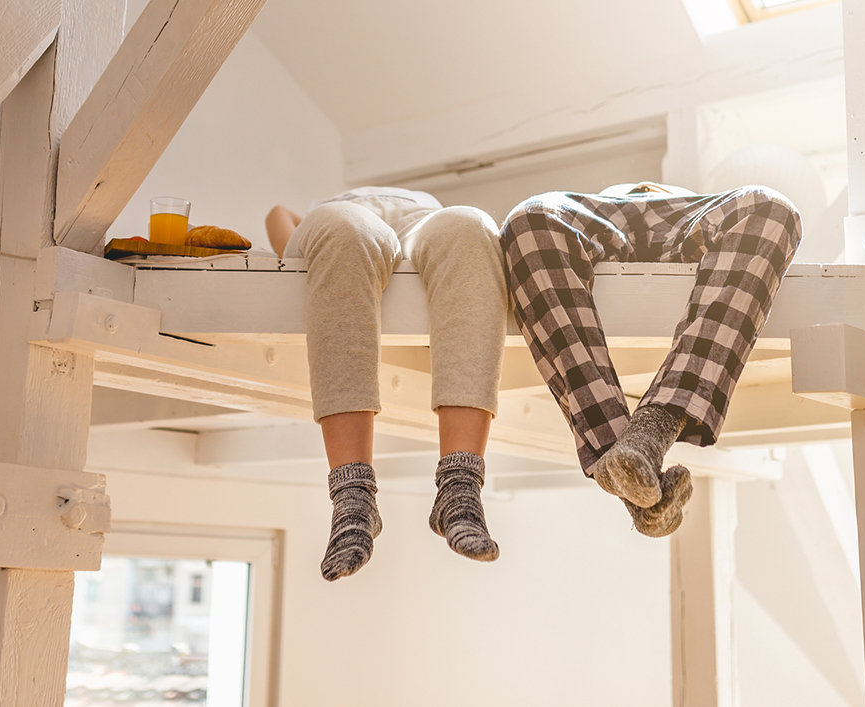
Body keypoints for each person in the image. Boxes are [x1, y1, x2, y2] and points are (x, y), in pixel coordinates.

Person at [499, 181, 801, 536]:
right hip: (600, 211)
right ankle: (641, 464)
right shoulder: (580, 210)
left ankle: (649, 436)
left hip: (683, 213)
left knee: (770, 206)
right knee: (528, 218)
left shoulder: (702, 210)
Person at [266, 187, 507, 580]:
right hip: (343, 214)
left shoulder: (422, 203)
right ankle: (352, 498)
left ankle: (460, 488)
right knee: (344, 233)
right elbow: (277, 213)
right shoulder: (329, 209)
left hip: (422, 215)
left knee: (470, 225)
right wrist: (296, 233)